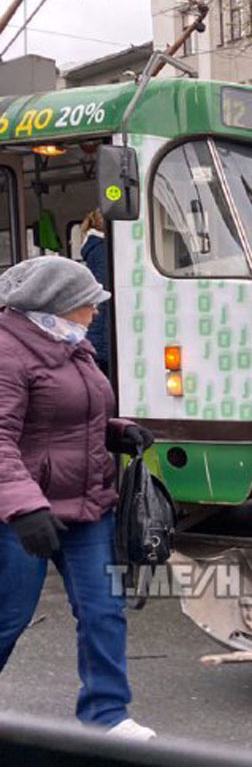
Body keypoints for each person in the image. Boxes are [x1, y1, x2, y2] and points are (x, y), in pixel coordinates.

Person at [0, 256, 158, 740]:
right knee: (8, 616)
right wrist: (25, 507)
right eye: (89, 303)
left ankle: (106, 716)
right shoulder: (7, 351)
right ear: (59, 305)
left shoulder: (73, 347)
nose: (95, 312)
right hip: (24, 515)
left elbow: (72, 418)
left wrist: (119, 431)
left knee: (102, 611)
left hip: (89, 507)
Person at [80, 210, 111, 377]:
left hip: (96, 329)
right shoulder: (102, 251)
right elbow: (102, 293)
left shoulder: (94, 249)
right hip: (102, 331)